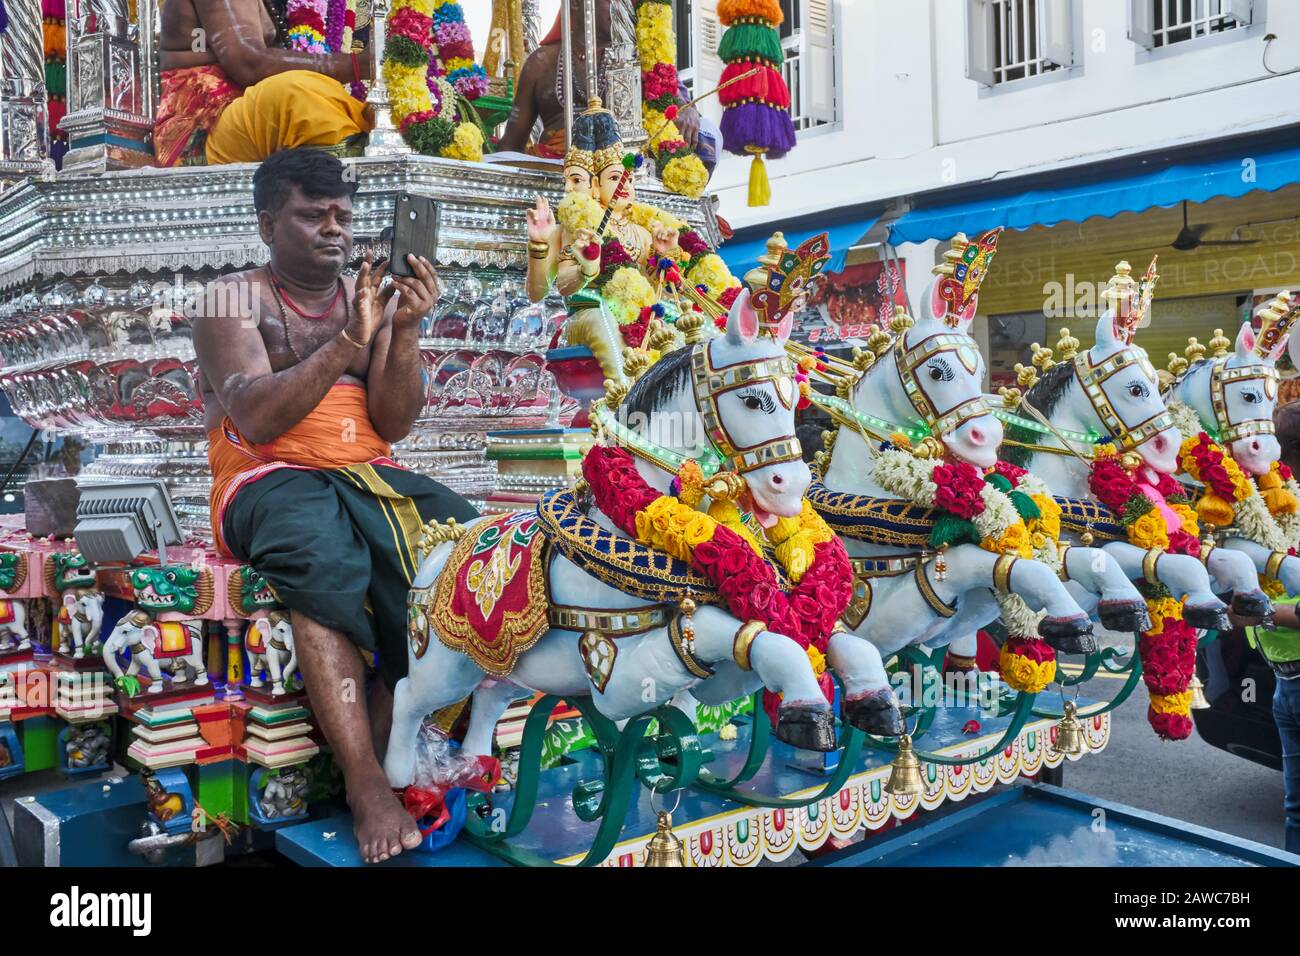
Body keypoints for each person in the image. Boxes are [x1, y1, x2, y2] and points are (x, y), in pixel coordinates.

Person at [193, 148, 478, 863]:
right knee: (320, 556)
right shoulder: (230, 297)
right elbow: (255, 417)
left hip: (365, 468)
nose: (333, 230)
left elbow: (394, 420)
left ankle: (413, 742)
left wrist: (403, 328)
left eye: (342, 216)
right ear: (267, 223)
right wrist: (352, 336)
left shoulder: (369, 295)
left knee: (469, 541)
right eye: (312, 215)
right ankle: (363, 782)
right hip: (265, 476)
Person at [496, 0, 714, 171]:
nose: (622, 10)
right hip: (555, 178)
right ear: (575, 3)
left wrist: (688, 110)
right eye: (611, 2)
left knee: (711, 132)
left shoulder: (640, 58)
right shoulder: (540, 63)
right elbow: (511, 145)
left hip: (623, 179)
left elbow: (675, 102)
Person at [155, 0, 373, 167]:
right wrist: (359, 65)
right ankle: (338, 192)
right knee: (296, 97)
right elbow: (249, 63)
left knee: (343, 104)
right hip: (198, 131)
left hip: (243, 118)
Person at [1228, 400, 1300, 854]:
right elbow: (1236, 610)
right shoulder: (1270, 514)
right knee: (1295, 808)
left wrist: (1263, 612)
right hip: (1284, 685)